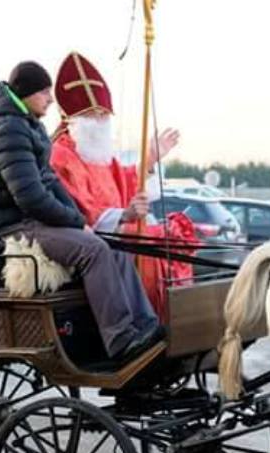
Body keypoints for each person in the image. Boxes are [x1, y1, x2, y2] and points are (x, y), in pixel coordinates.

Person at [0, 60, 164, 365]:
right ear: (28, 92)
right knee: (95, 250)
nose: (50, 98)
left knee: (115, 244)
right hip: (7, 225)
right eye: (44, 92)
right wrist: (77, 223)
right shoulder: (8, 129)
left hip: (27, 219)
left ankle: (145, 325)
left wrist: (81, 223)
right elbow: (31, 197)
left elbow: (49, 184)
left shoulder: (25, 124)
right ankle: (121, 338)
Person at [49, 51, 193, 319]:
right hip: (91, 238)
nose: (101, 121)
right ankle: (150, 320)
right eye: (94, 115)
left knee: (173, 232)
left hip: (118, 232)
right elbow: (80, 209)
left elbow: (126, 181)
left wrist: (149, 159)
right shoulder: (61, 155)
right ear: (74, 119)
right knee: (146, 239)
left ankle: (180, 315)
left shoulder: (100, 152)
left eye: (104, 114)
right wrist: (124, 215)